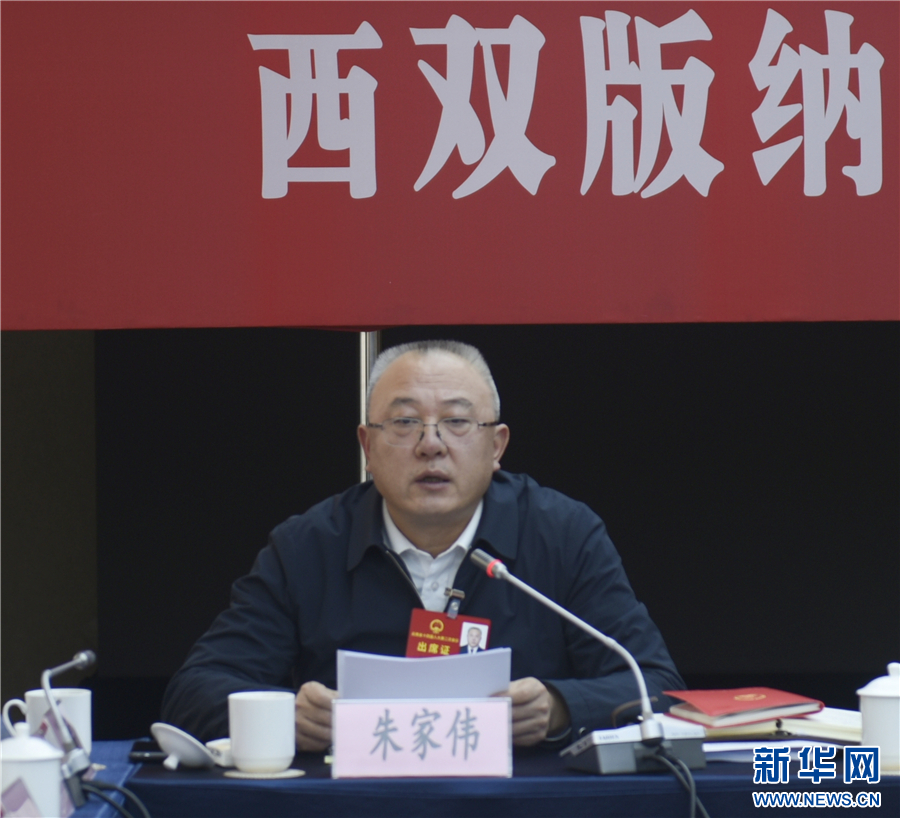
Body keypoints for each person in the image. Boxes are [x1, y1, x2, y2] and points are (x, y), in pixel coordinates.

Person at [161, 340, 684, 749]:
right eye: (405, 422)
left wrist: (560, 706)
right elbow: (193, 691)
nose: (431, 444)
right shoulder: (308, 546)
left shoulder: (562, 535)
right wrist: (287, 715)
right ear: (368, 446)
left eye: (457, 422)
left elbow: (659, 687)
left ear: (496, 445)